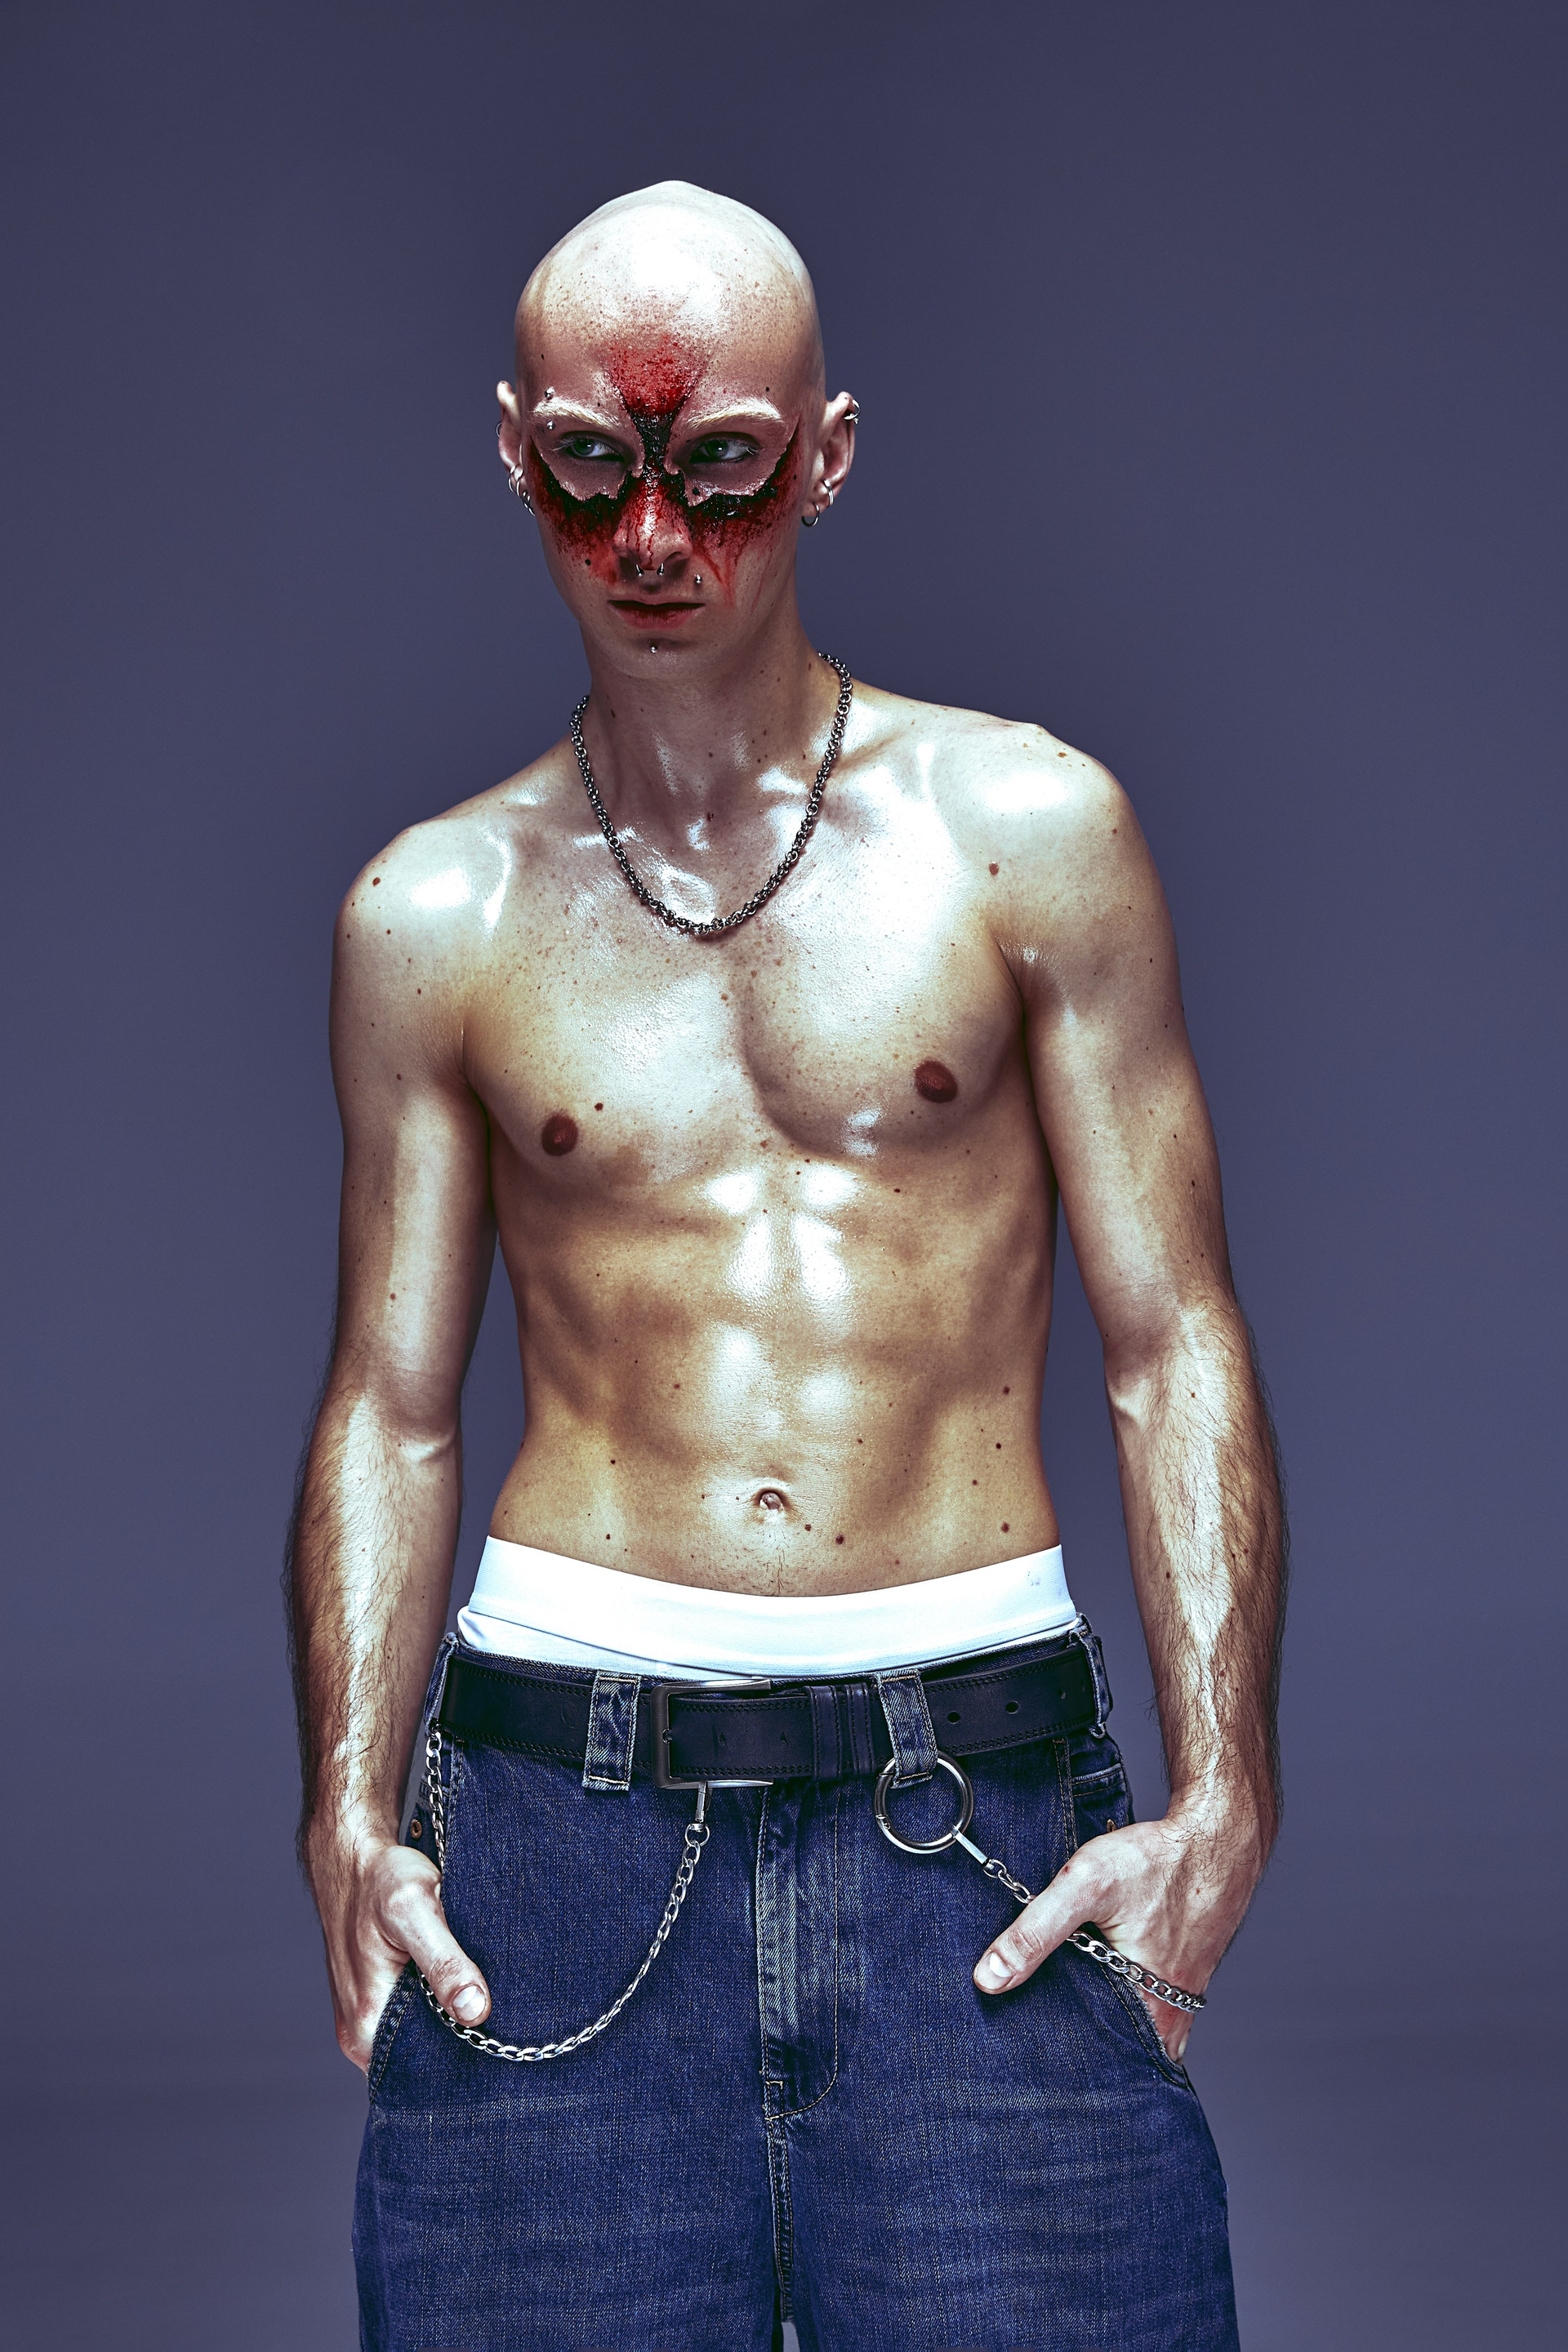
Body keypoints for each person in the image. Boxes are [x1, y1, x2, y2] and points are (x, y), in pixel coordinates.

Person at [287, 180, 1285, 2352]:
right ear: (516, 451)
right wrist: (345, 1814)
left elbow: (1173, 1335)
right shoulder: (433, 915)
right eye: (593, 465)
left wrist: (1227, 1797)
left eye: (719, 464)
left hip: (967, 1810)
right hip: (557, 1825)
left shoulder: (1024, 833)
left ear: (824, 454)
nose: (654, 537)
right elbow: (390, 1400)